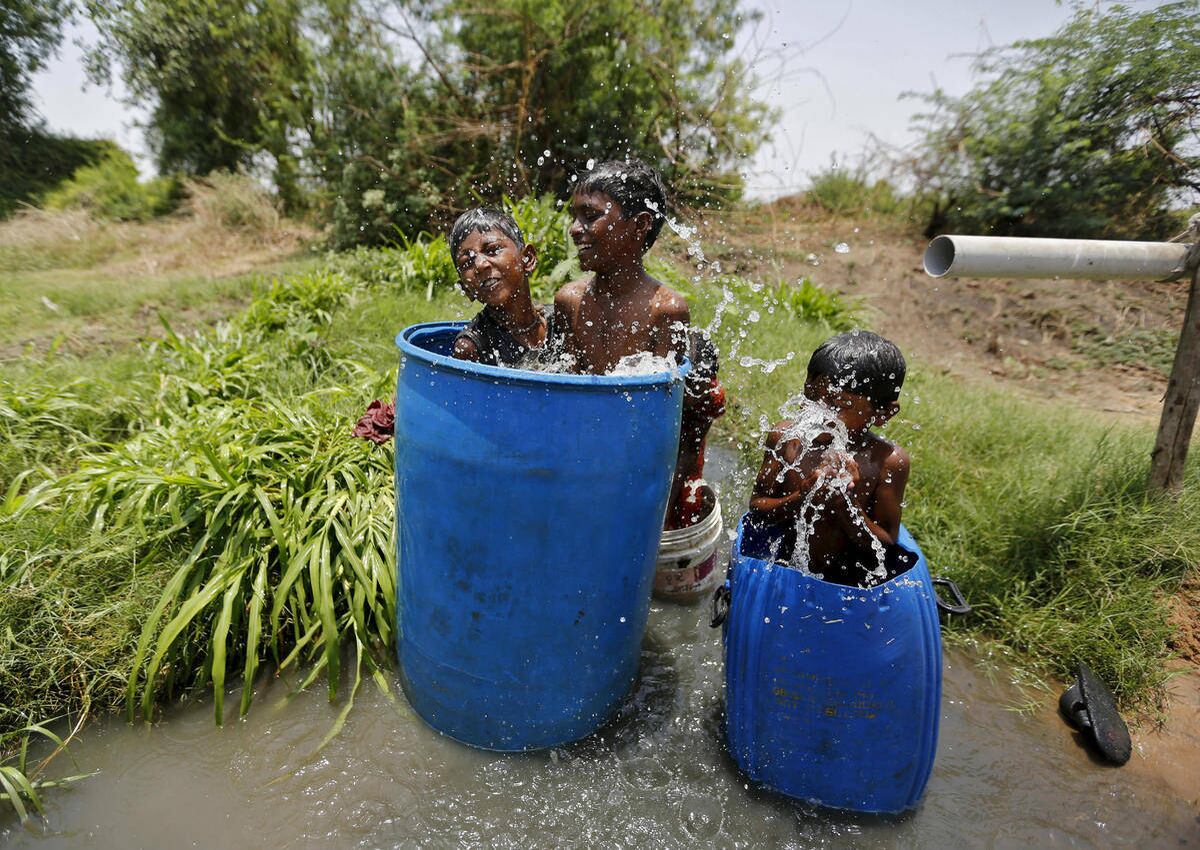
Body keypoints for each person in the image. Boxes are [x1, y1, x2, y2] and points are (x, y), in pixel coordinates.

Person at [745, 330, 911, 587]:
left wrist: (845, 503)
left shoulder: (887, 461)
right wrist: (800, 498)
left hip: (849, 585)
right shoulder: (786, 438)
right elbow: (757, 510)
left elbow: (885, 547)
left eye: (838, 405)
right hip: (782, 571)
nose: (818, 412)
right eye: (812, 397)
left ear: (883, 413)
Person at [552, 159, 690, 374]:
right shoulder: (569, 301)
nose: (574, 229)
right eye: (574, 217)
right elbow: (568, 385)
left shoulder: (666, 310)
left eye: (590, 216)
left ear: (640, 225)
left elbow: (664, 392)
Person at [449, 207, 552, 367]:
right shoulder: (472, 347)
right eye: (467, 262)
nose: (480, 265)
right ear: (466, 289)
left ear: (527, 259)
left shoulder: (563, 322)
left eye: (492, 250)